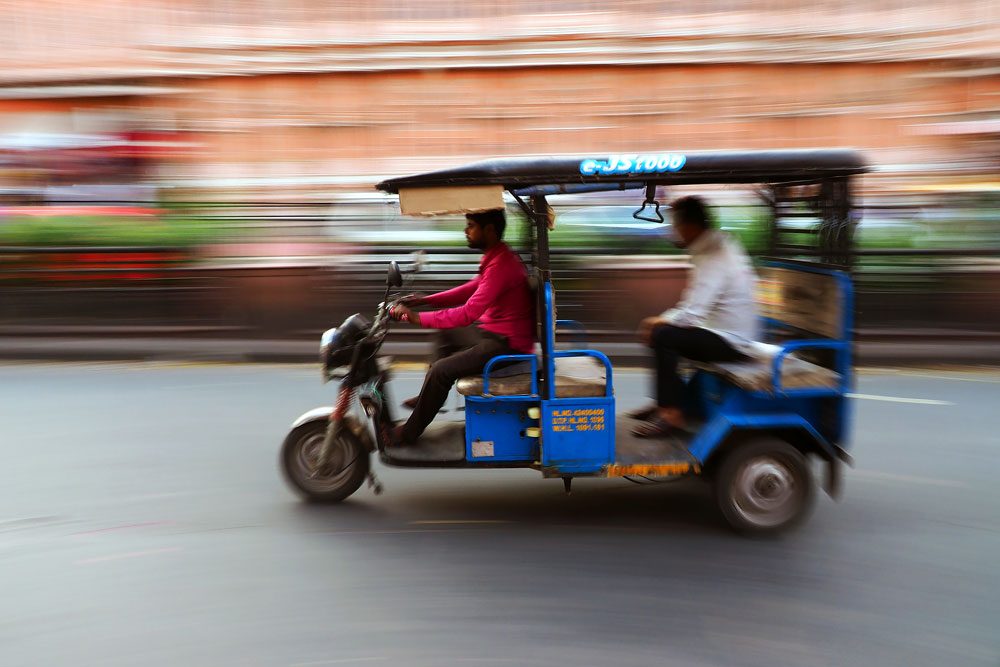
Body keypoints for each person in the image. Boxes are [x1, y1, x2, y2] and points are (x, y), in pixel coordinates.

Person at [389, 208, 535, 445]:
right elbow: (470, 289)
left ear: (489, 229)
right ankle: (430, 392)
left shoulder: (501, 266)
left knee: (441, 370)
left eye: (471, 226)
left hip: (507, 346)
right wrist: (426, 300)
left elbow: (468, 313)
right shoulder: (498, 257)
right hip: (495, 334)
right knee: (446, 331)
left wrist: (414, 318)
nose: (465, 231)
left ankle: (409, 432)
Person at [631, 195, 759, 438]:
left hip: (732, 341)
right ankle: (666, 402)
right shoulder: (710, 247)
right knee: (662, 331)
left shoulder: (714, 256)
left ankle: (670, 412)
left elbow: (692, 314)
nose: (673, 230)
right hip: (719, 331)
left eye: (676, 224)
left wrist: (659, 322)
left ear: (690, 226)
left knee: (664, 336)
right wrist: (661, 319)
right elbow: (692, 306)